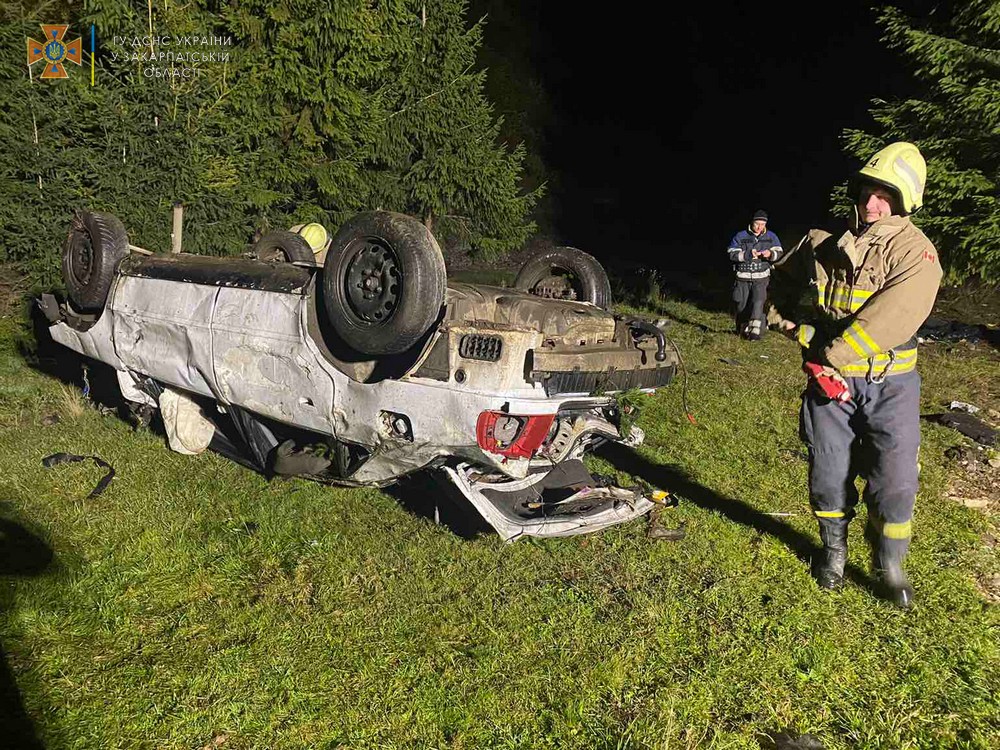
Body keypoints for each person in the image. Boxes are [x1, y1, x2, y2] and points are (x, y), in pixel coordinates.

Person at [768, 142, 941, 609]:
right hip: (830, 386)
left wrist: (830, 356)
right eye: (867, 191)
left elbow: (891, 318)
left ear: (905, 200)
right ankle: (834, 550)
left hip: (891, 386)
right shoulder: (821, 242)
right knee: (828, 469)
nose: (871, 203)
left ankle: (890, 564)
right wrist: (785, 321)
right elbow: (779, 284)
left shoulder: (917, 254)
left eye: (884, 194)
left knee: (897, 479)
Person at [727, 210, 783, 340]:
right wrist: (747, 254)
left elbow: (779, 251)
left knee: (758, 302)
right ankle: (742, 328)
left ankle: (755, 333)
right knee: (741, 303)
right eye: (757, 224)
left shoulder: (771, 236)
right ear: (752, 222)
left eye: (762, 224)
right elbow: (731, 253)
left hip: (761, 276)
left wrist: (770, 254)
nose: (759, 227)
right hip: (743, 276)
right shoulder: (740, 236)